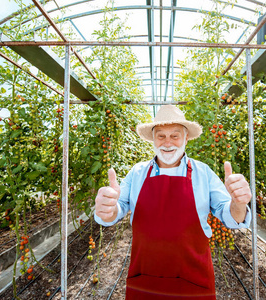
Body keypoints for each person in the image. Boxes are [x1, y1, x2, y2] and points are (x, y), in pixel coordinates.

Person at [94, 105, 252, 299]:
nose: (167, 142)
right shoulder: (137, 173)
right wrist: (106, 209)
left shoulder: (203, 173)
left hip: (194, 282)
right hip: (145, 281)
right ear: (153, 139)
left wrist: (238, 203)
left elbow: (230, 217)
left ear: (186, 138)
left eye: (175, 135)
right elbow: (116, 210)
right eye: (160, 135)